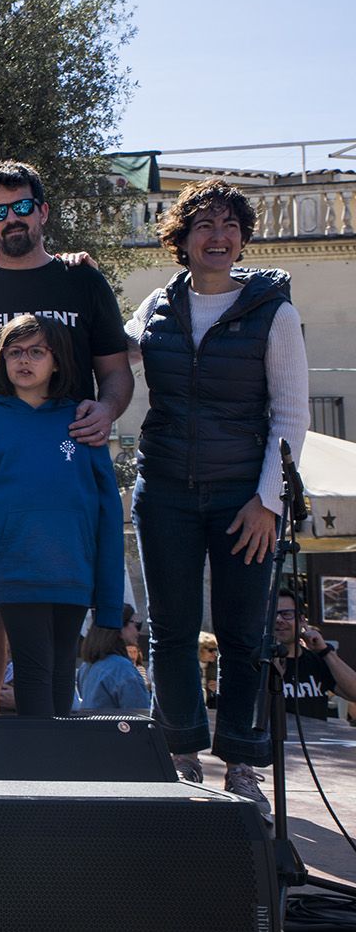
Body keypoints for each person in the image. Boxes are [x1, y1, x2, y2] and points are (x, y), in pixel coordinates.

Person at [125, 179, 310, 814]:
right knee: (171, 632)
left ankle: (243, 765)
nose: (219, 236)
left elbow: (290, 416)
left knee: (245, 636)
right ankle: (178, 757)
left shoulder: (274, 313)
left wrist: (267, 502)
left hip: (243, 499)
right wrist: (79, 277)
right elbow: (110, 352)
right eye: (204, 224)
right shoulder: (155, 306)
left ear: (243, 239)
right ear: (181, 238)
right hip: (165, 491)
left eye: (230, 225)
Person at [0, 160, 134, 719]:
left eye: (22, 206)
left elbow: (115, 371)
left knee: (54, 636)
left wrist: (107, 409)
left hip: (67, 460)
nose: (11, 218)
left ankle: (45, 751)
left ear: (42, 211)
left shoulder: (81, 279)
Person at [0, 316, 123, 717]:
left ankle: (59, 766)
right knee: (34, 668)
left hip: (72, 571)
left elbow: (108, 510)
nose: (24, 360)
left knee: (63, 668)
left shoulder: (84, 421)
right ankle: (42, 766)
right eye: (14, 352)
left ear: (58, 361)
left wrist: (109, 601)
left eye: (36, 351)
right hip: (15, 570)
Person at [274, 591, 356, 720]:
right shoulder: (257, 662)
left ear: (302, 620)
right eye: (273, 615)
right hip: (276, 739)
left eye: (286, 614)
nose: (279, 620)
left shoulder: (316, 661)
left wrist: (325, 651)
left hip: (312, 739)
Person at [75, 604, 150, 712]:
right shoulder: (123, 669)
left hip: (93, 727)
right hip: (118, 728)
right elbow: (140, 716)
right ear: (120, 627)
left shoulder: (85, 667)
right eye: (137, 625)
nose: (138, 631)